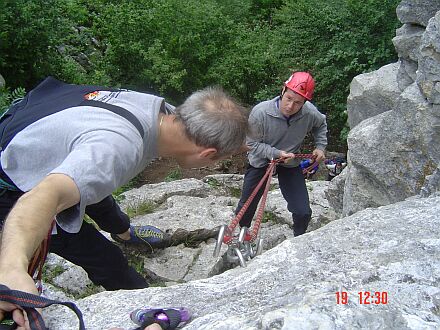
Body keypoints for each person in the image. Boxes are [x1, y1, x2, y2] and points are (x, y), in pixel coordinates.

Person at [0, 77, 249, 329]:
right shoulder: (118, 148)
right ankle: (144, 301)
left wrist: (119, 225)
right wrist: (12, 267)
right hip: (15, 185)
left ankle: (123, 232)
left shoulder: (158, 110)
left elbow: (95, 179)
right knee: (106, 259)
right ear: (207, 154)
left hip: (33, 130)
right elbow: (45, 196)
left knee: (91, 183)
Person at [235, 71, 327, 237]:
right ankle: (242, 235)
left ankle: (299, 239)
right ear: (283, 91)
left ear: (305, 102)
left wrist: (320, 147)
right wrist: (275, 153)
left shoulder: (309, 113)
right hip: (261, 161)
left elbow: (321, 124)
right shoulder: (261, 112)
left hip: (289, 163)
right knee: (246, 206)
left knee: (303, 211)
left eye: (298, 103)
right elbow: (250, 143)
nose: (290, 106)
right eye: (288, 98)